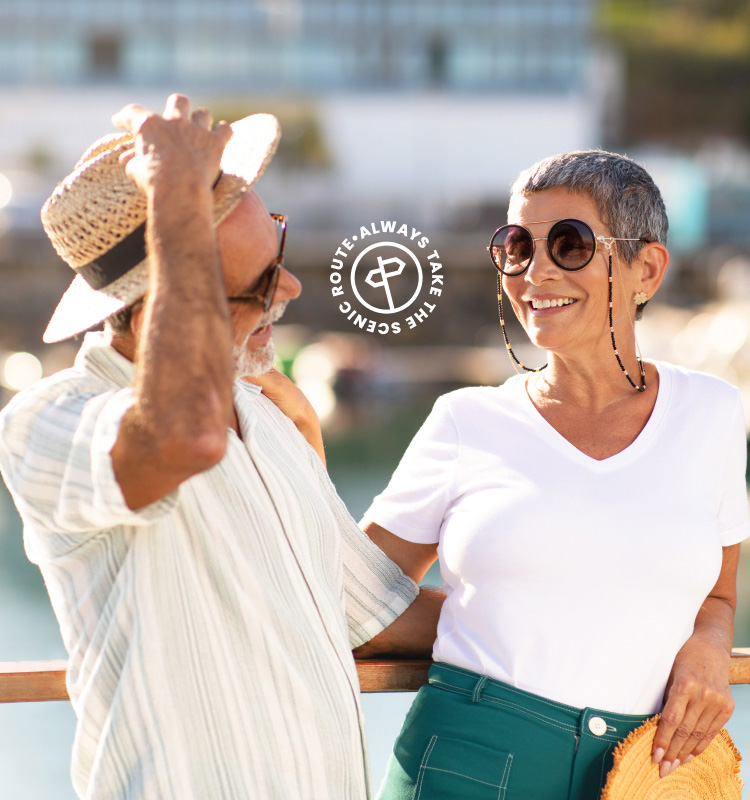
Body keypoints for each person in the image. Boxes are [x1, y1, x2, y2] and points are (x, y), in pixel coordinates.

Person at [0, 95, 441, 800]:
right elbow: (184, 435)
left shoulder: (263, 418)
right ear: (162, 302)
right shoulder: (46, 422)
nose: (291, 288)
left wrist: (643, 627)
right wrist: (175, 200)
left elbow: (376, 617)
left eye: (281, 252)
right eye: (259, 285)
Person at [360, 150, 750, 799]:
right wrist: (486, 619)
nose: (534, 271)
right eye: (515, 246)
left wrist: (709, 647)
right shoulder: (465, 422)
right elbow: (352, 597)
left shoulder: (712, 413)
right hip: (469, 760)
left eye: (568, 244)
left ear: (645, 269)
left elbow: (718, 595)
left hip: (646, 773)